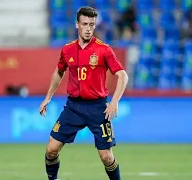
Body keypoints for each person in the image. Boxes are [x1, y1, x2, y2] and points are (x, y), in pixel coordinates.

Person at [39, 6, 128, 180]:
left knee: (107, 157)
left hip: (98, 107)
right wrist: (47, 98)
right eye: (85, 24)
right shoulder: (67, 50)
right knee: (51, 149)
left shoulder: (104, 50)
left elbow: (122, 76)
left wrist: (115, 101)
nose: (88, 28)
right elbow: (59, 72)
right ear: (77, 25)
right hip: (73, 107)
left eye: (92, 24)